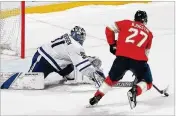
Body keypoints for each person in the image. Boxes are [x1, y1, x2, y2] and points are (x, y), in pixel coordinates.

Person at [89, 10, 153, 109]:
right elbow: (146, 53)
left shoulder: (126, 23)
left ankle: (98, 95)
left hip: (121, 58)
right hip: (139, 61)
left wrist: (112, 44)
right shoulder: (149, 34)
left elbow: (109, 28)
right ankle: (135, 90)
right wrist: (138, 70)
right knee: (148, 82)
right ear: (145, 20)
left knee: (111, 79)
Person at [28, 26, 105, 87]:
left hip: (61, 62)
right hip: (44, 59)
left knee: (72, 78)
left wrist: (88, 59)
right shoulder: (75, 47)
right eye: (80, 37)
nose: (82, 39)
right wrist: (97, 76)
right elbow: (84, 67)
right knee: (31, 82)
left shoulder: (69, 37)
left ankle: (65, 73)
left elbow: (72, 54)